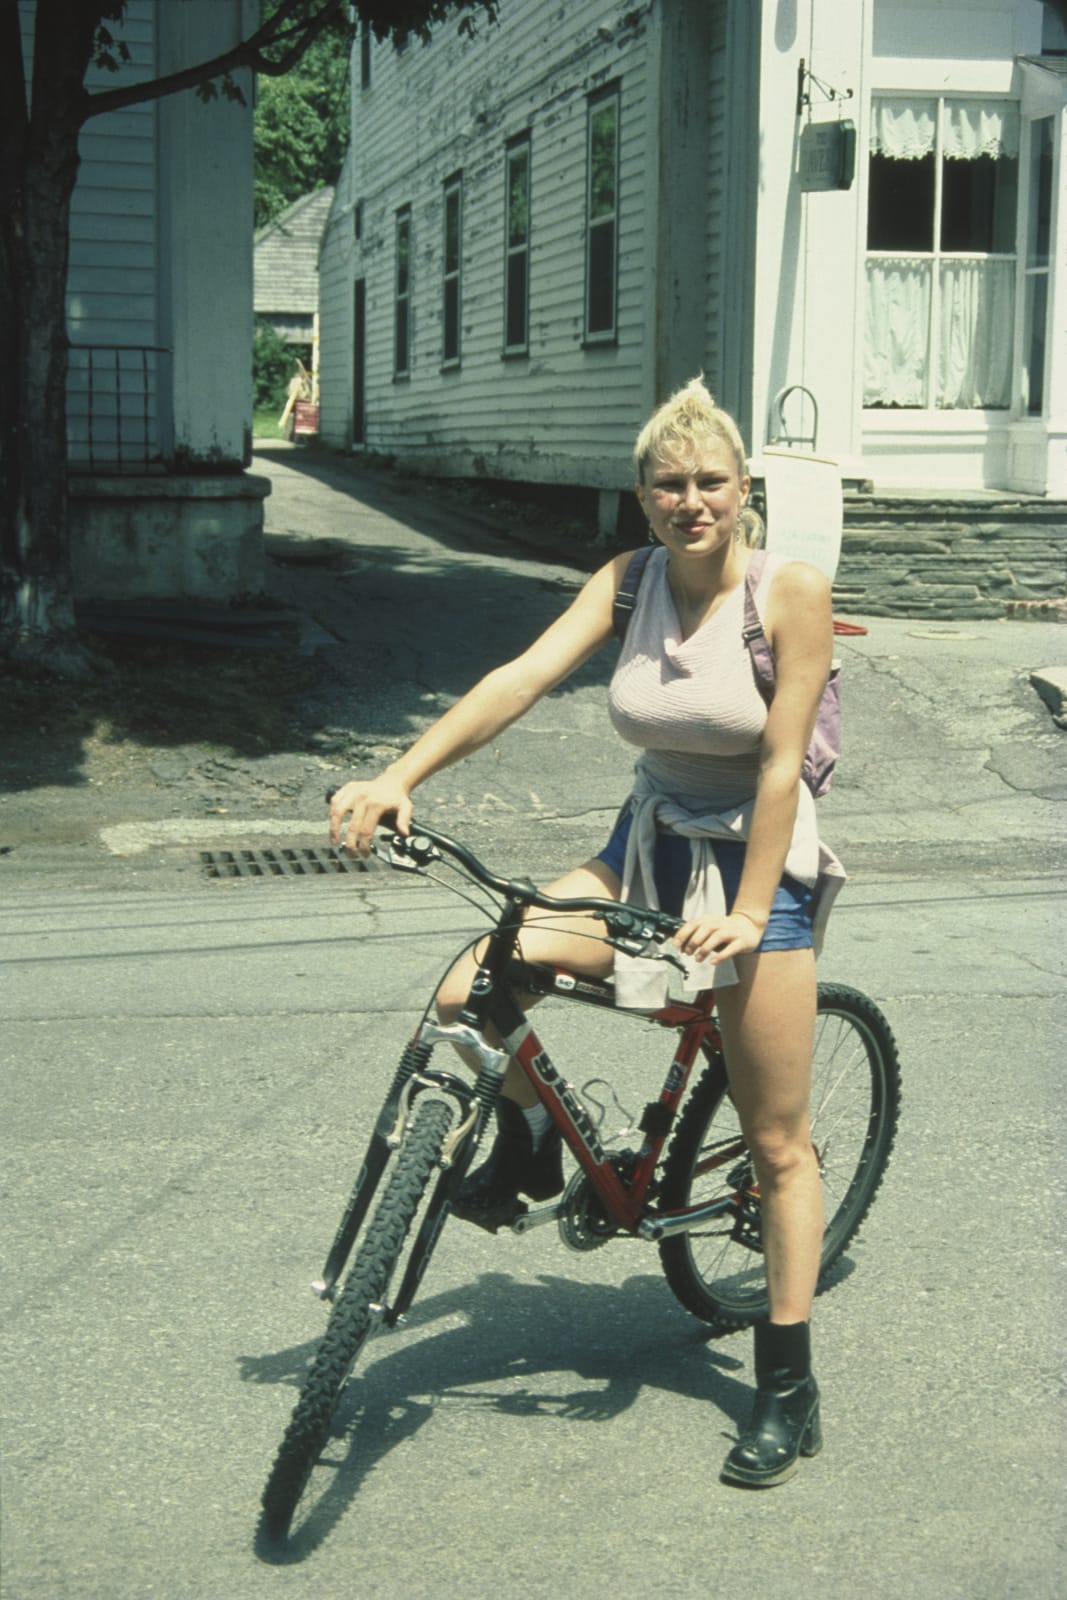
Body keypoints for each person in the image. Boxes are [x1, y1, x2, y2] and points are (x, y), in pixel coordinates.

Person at [329, 377, 838, 1489]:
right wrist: (396, 773)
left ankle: (786, 1387)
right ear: (641, 494)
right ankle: (530, 1144)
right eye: (667, 482)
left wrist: (748, 914)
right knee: (475, 980)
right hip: (645, 839)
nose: (687, 500)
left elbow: (776, 765)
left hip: (755, 858)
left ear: (742, 489)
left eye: (709, 481)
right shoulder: (625, 582)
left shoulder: (785, 591)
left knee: (776, 1143)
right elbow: (516, 678)